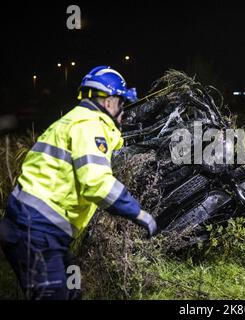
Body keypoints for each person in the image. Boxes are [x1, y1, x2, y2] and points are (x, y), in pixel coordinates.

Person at [0, 66, 157, 300]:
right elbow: (96, 182)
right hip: (36, 231)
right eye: (122, 102)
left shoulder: (76, 120)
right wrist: (139, 214)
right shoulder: (89, 127)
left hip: (42, 229)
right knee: (54, 295)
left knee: (73, 286)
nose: (124, 110)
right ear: (108, 102)